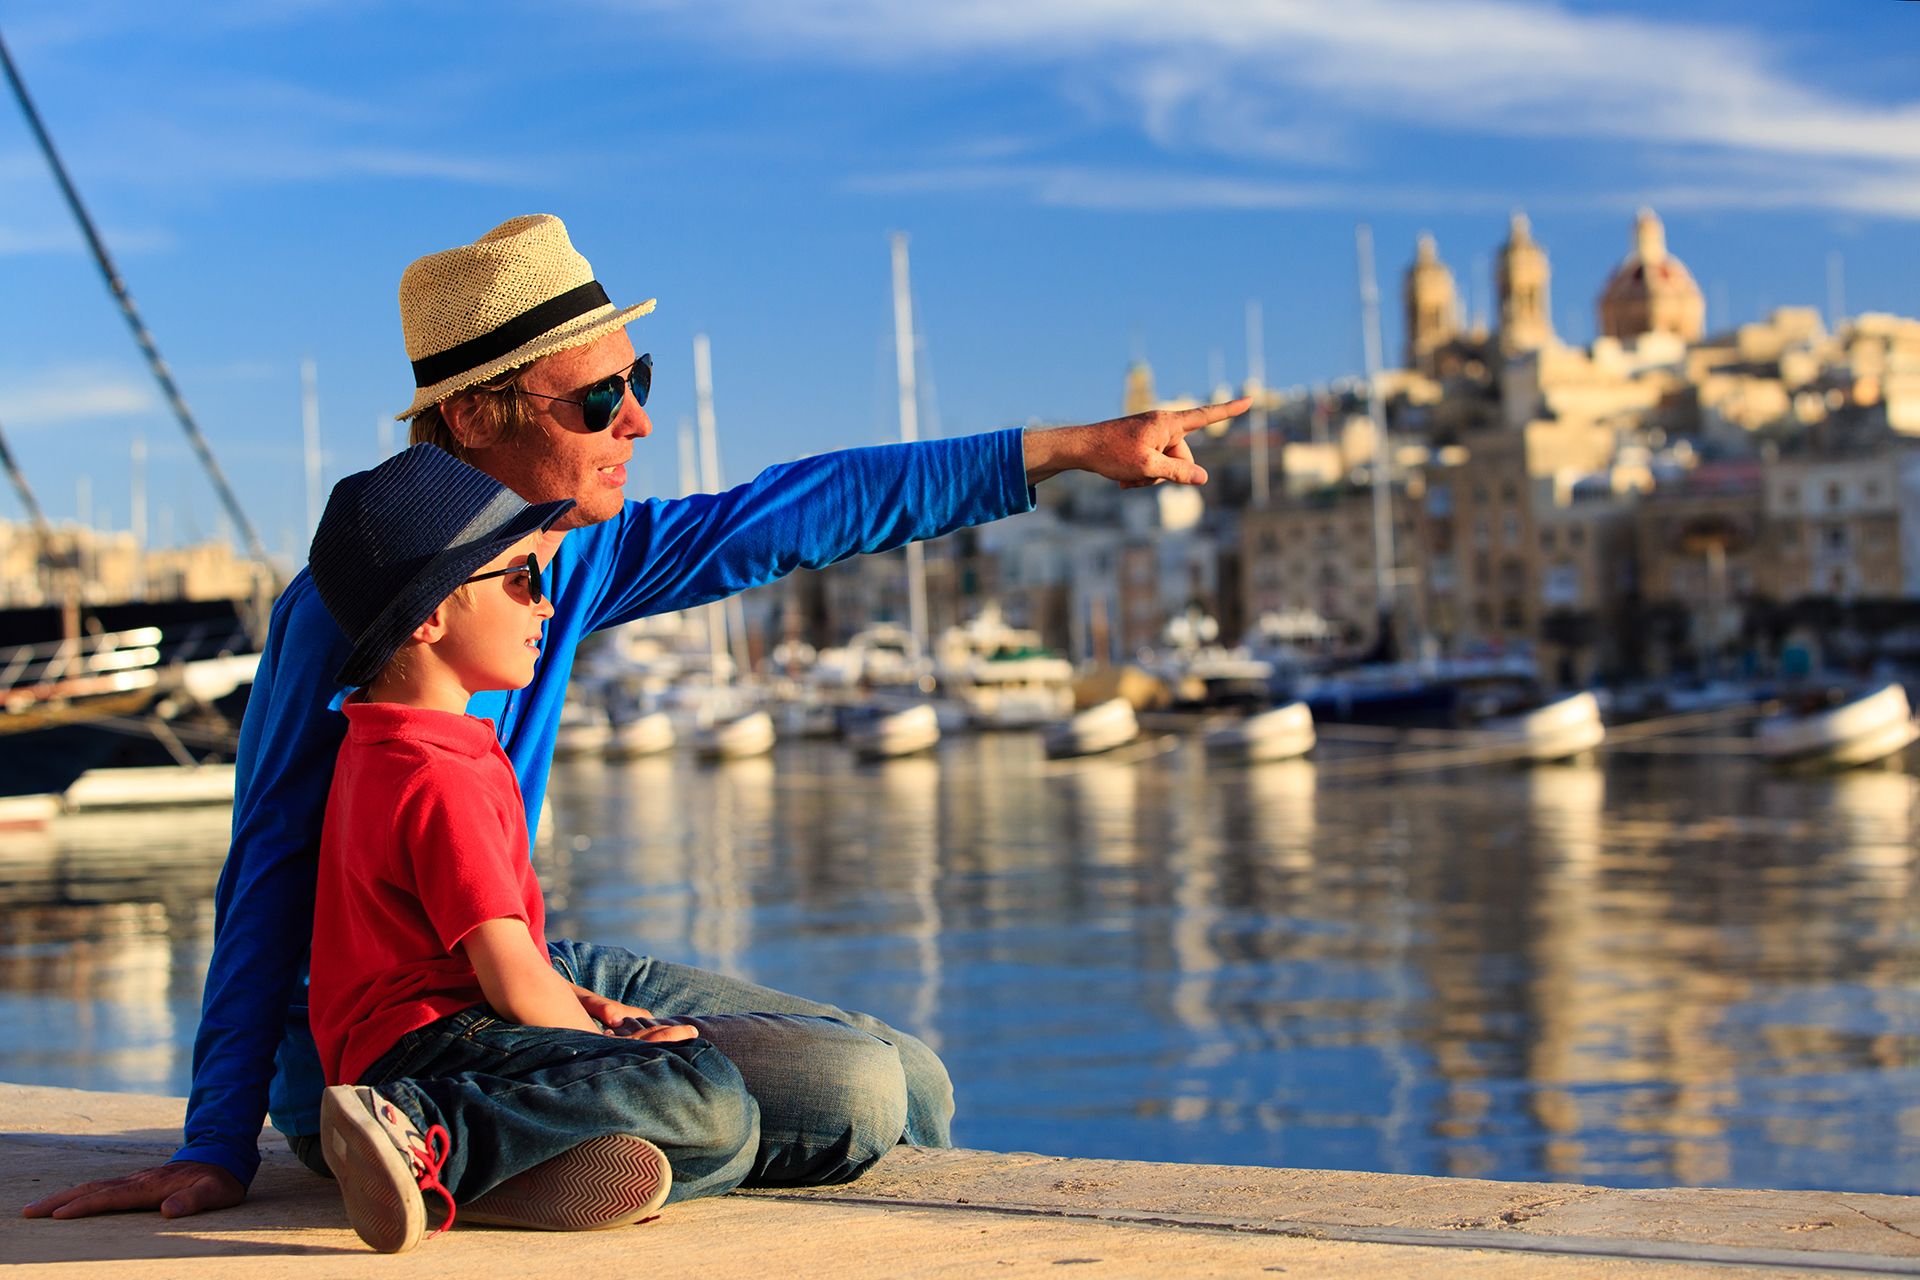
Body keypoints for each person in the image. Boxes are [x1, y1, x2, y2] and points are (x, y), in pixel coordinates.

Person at [24, 213, 1248, 1222]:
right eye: (600, 396)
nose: (637, 420)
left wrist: (1074, 446)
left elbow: (806, 509)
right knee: (855, 1097)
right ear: (476, 416)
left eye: (638, 381)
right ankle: (462, 1143)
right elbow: (267, 871)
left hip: (516, 975)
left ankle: (551, 1154)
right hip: (392, 1049)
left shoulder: (581, 556)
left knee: (911, 1080)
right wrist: (214, 1143)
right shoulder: (346, 614)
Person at [308, 444, 807, 1252]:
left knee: (725, 1134)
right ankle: (428, 1133)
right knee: (709, 1094)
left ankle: (469, 1175)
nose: (544, 605)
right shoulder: (439, 773)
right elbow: (508, 977)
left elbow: (472, 963)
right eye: (521, 579)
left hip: (415, 1038)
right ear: (428, 618)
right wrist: (605, 1048)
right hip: (433, 1052)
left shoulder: (380, 745)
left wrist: (588, 1006)